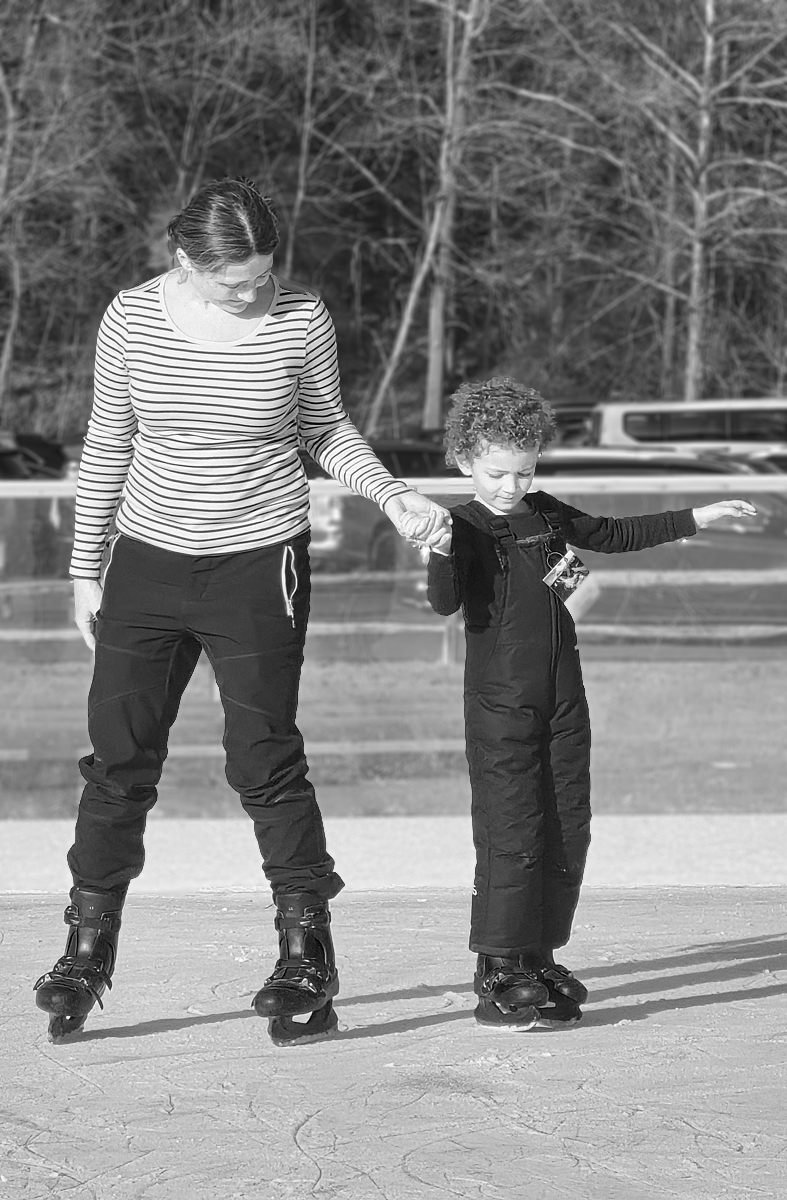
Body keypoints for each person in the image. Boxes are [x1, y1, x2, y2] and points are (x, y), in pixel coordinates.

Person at [34, 176, 449, 1046]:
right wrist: (85, 570)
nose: (253, 291)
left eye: (263, 274)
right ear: (183, 260)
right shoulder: (132, 318)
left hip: (260, 562)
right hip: (147, 562)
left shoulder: (299, 318)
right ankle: (85, 947)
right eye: (234, 280)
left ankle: (306, 952)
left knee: (263, 759)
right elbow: (109, 439)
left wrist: (395, 496)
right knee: (119, 758)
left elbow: (326, 430)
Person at [422, 377, 756, 1031]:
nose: (508, 486)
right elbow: (443, 601)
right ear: (465, 462)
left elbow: (610, 533)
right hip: (501, 707)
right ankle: (496, 965)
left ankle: (536, 957)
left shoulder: (543, 515)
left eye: (521, 472)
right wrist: (435, 549)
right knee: (512, 835)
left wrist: (698, 516)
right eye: (495, 473)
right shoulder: (458, 526)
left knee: (565, 828)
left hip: (563, 700)